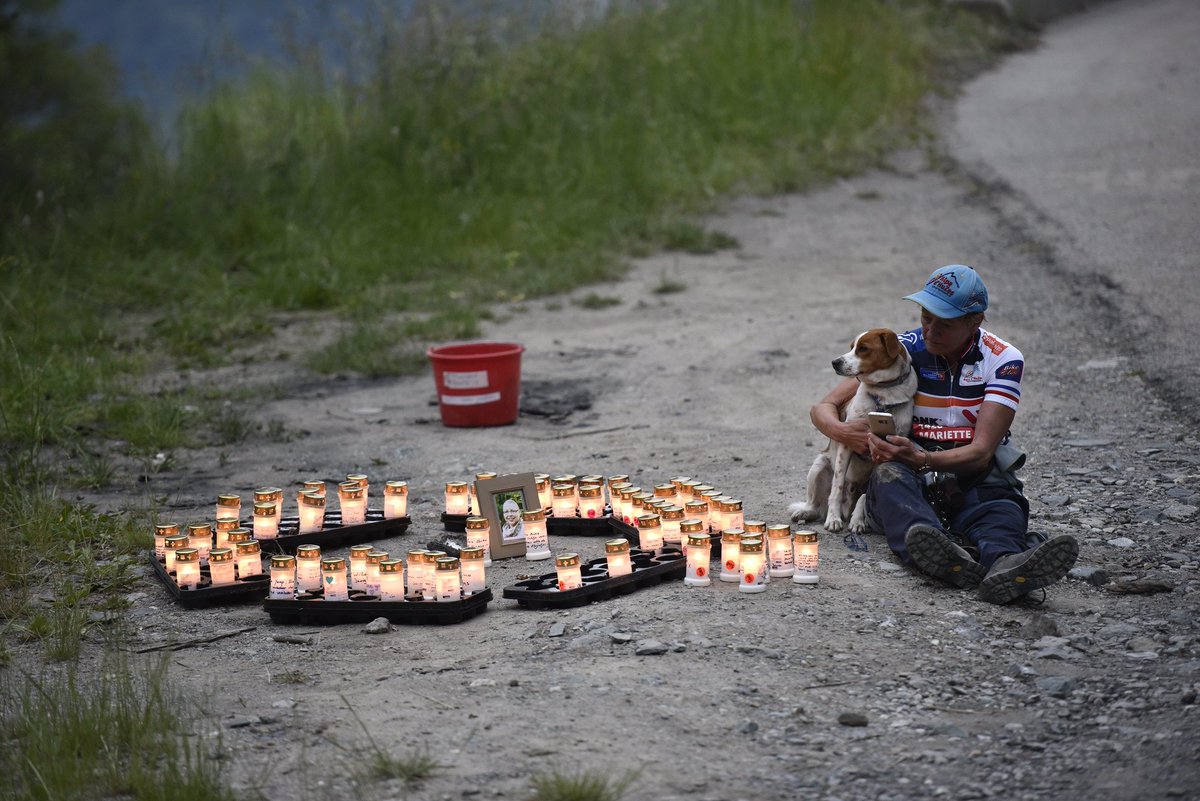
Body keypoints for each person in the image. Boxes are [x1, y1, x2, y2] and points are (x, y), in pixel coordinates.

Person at [807, 264, 1078, 604]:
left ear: (975, 322)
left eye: (944, 324)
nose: (930, 331)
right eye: (926, 318)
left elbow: (981, 452)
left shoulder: (1003, 359)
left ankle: (1006, 565)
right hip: (910, 478)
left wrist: (923, 458)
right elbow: (823, 408)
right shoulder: (902, 350)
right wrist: (845, 432)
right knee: (890, 479)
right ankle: (947, 555)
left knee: (1001, 509)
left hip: (972, 474)